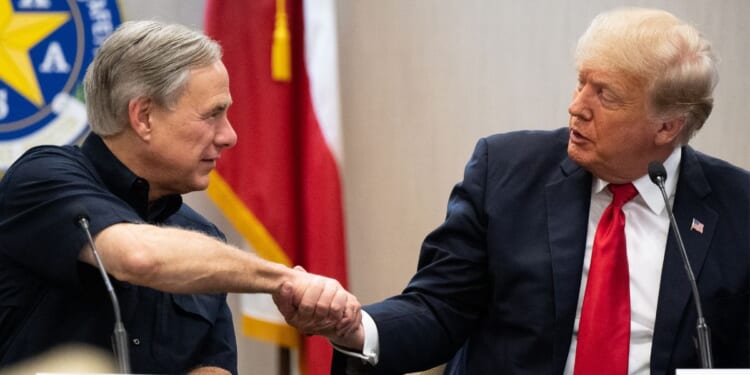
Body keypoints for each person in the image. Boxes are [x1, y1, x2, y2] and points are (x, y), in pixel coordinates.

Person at [276, 7, 750, 374]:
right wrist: (358, 328)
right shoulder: (505, 173)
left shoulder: (737, 208)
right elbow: (440, 309)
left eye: (604, 95)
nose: (576, 107)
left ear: (667, 126)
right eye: (580, 83)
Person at [0, 21, 360, 374]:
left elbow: (213, 368)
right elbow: (139, 257)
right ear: (143, 117)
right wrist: (285, 280)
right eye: (213, 114)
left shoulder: (204, 242)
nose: (230, 136)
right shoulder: (42, 177)